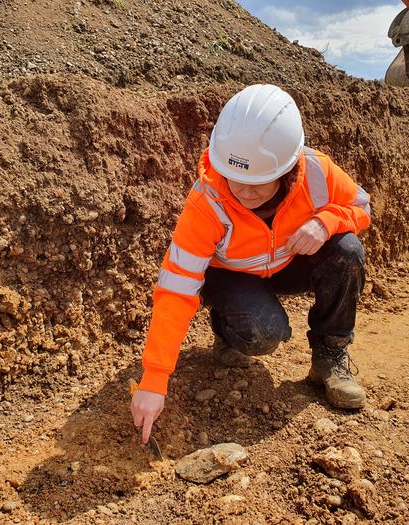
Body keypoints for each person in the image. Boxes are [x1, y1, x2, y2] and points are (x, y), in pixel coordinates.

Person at [130, 84, 371, 443]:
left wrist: (326, 222)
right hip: (232, 277)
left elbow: (362, 208)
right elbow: (176, 288)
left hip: (289, 262)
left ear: (289, 168)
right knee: (263, 334)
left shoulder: (318, 173)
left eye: (256, 184)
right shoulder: (207, 201)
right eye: (234, 179)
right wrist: (154, 379)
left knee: (347, 251)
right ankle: (228, 331)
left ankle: (329, 356)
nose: (242, 191)